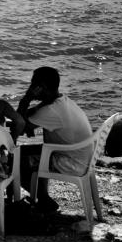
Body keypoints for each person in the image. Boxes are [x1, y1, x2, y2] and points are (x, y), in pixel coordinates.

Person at [16, 66, 93, 212]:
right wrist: (29, 123)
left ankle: (46, 202)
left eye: (33, 84)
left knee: (14, 162)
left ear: (42, 86)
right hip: (76, 156)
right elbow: (26, 117)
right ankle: (40, 198)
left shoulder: (51, 110)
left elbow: (19, 125)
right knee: (18, 152)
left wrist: (26, 99)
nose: (30, 87)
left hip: (70, 162)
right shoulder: (57, 102)